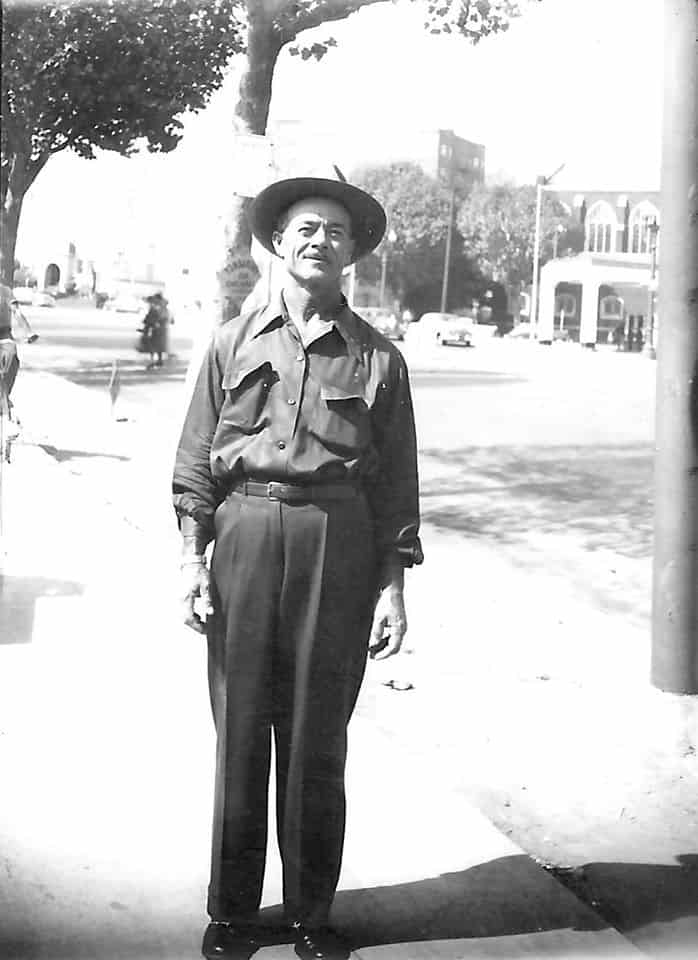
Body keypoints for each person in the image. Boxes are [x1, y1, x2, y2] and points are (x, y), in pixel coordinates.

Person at [173, 176, 422, 960]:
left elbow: (397, 489)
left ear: (353, 256)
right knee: (242, 731)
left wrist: (393, 589)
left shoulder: (380, 359)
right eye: (306, 229)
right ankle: (233, 913)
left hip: (337, 542)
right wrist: (191, 560)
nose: (320, 241)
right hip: (245, 533)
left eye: (337, 233)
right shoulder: (231, 343)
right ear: (280, 242)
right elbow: (193, 467)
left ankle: (312, 913)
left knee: (318, 740)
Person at [139, 291, 171, 368]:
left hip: (155, 329)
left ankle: (153, 361)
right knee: (159, 345)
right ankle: (159, 360)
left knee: (152, 345)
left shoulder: (156, 307)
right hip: (162, 329)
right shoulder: (164, 307)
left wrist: (146, 325)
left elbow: (150, 319)